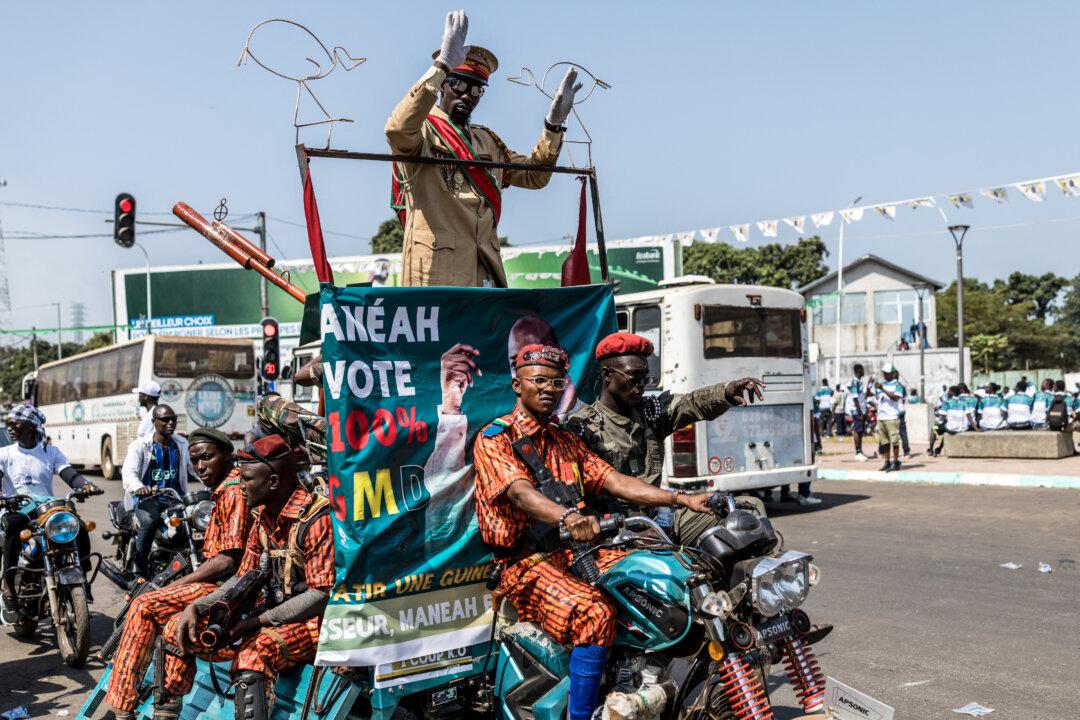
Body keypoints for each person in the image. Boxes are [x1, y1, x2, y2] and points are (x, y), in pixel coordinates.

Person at [473, 344, 714, 720]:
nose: (549, 389)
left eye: (556, 382)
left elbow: (615, 480)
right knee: (595, 613)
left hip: (579, 554)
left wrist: (680, 499)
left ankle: (646, 687)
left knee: (669, 579)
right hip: (526, 565)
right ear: (517, 386)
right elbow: (521, 493)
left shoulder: (565, 438)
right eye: (539, 381)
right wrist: (568, 518)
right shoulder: (495, 440)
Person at [386, 10, 580, 287]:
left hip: (484, 275)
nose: (467, 95)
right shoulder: (423, 131)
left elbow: (535, 176)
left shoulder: (486, 141)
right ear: (443, 86)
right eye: (459, 84)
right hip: (434, 278)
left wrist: (554, 125)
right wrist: (442, 65)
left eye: (477, 90)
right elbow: (397, 129)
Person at [159, 435, 333, 720]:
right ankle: (165, 714)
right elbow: (241, 578)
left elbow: (320, 595)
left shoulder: (315, 518)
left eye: (247, 479)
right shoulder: (264, 517)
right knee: (177, 628)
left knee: (253, 653)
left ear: (273, 482)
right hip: (270, 615)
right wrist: (197, 607)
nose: (239, 485)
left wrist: (253, 623)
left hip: (314, 624)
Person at [104, 428, 252, 720]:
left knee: (146, 605)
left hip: (229, 586)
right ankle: (165, 709)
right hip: (222, 584)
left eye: (207, 458)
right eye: (194, 461)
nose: (200, 467)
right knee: (173, 625)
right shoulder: (222, 490)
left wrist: (178, 584)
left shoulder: (233, 491)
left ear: (226, 455)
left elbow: (228, 560)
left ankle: (121, 708)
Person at [567, 333, 772, 532]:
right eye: (633, 376)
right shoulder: (585, 427)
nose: (640, 385)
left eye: (645, 377)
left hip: (659, 515)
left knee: (749, 512)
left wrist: (726, 392)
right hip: (615, 527)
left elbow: (692, 402)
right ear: (607, 375)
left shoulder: (652, 411)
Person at [0, 405, 101, 622]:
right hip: (15, 508)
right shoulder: (5, 454)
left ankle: (82, 579)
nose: (10, 428)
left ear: (30, 426)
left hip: (45, 509)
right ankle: (8, 587)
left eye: (14, 424)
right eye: (8, 424)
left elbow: (69, 474)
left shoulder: (49, 451)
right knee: (13, 529)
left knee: (79, 529)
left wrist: (86, 485)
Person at [120, 404, 199, 577]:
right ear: (154, 422)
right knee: (149, 521)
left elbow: (194, 468)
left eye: (173, 419)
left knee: (197, 520)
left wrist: (215, 479)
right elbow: (129, 474)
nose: (170, 423)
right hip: (146, 499)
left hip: (175, 499)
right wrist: (139, 487)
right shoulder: (140, 446)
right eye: (165, 419)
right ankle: (139, 569)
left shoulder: (181, 443)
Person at [873, 364, 905, 472]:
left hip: (892, 417)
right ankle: (887, 462)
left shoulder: (897, 385)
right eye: (884, 373)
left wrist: (883, 389)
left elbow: (895, 398)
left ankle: (895, 462)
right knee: (884, 442)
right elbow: (870, 394)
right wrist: (870, 384)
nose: (885, 374)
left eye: (887, 373)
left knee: (895, 441)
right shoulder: (881, 384)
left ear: (892, 373)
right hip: (881, 417)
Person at [845, 364, 869, 461]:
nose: (864, 371)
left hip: (861, 410)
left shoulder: (859, 382)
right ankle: (858, 452)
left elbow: (863, 397)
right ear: (859, 370)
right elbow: (855, 398)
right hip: (857, 411)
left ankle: (860, 451)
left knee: (860, 431)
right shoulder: (855, 382)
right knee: (857, 431)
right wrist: (859, 411)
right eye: (863, 369)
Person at [927, 386, 953, 457]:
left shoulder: (952, 399)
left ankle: (937, 449)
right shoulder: (943, 398)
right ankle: (931, 448)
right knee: (934, 429)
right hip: (942, 420)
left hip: (949, 422)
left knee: (945, 433)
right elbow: (937, 409)